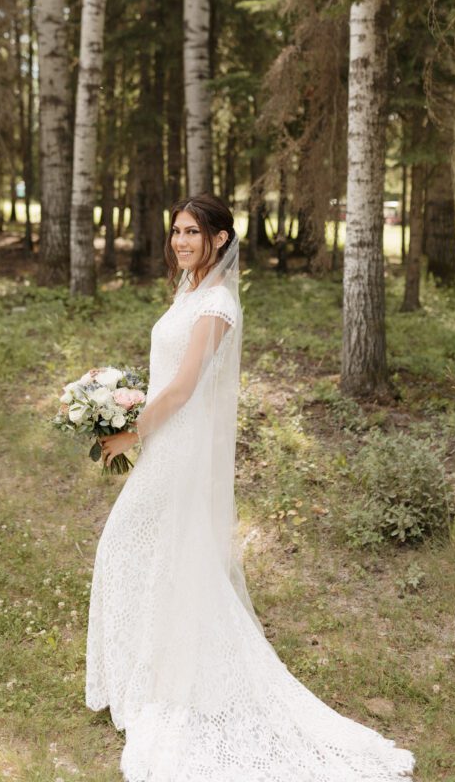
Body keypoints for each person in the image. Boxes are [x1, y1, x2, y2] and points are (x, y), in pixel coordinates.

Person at [85, 194, 416, 781]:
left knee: (131, 548)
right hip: (165, 440)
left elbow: (185, 388)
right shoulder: (187, 291)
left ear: (218, 240)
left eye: (193, 232)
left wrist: (128, 432)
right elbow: (167, 374)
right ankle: (155, 670)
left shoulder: (215, 304)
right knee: (158, 556)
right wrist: (123, 397)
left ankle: (170, 679)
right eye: (177, 231)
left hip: (177, 448)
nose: (181, 241)